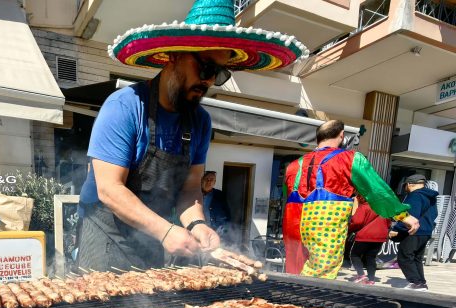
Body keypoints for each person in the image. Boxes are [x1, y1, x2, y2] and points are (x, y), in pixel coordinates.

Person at [75, 0, 310, 270]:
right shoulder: (125, 106)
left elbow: (189, 189)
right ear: (174, 55)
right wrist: (165, 231)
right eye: (207, 68)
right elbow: (109, 190)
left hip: (152, 240)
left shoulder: (200, 122)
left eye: (220, 74)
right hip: (106, 241)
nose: (209, 81)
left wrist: (198, 224)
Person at [282, 120, 419, 279]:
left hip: (292, 221)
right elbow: (375, 189)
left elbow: (287, 194)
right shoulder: (349, 158)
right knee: (320, 274)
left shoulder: (293, 165)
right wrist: (403, 216)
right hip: (324, 220)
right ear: (341, 136)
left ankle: (291, 297)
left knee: (295, 268)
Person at [390, 174, 438, 290]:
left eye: (405, 185)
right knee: (416, 258)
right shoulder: (429, 196)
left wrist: (397, 229)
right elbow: (434, 214)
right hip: (426, 231)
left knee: (404, 257)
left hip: (413, 230)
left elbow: (410, 215)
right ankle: (421, 283)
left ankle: (416, 283)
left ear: (409, 184)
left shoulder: (415, 196)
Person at [347, 195, 391, 284]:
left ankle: (361, 275)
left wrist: (349, 228)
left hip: (365, 235)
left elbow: (357, 222)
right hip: (380, 237)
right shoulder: (383, 208)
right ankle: (371, 280)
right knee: (371, 257)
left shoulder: (364, 206)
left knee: (355, 255)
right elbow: (388, 223)